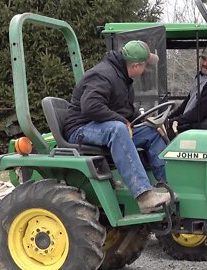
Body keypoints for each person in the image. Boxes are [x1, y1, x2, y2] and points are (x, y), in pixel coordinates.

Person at [64, 40, 171, 213]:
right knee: (118, 129)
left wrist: (147, 120)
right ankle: (144, 195)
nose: (145, 70)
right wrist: (121, 121)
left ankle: (165, 184)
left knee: (152, 130)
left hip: (102, 126)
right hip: (81, 128)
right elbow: (90, 105)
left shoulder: (123, 78)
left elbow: (125, 110)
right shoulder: (103, 75)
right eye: (145, 65)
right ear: (136, 66)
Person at [167, 44, 207, 135]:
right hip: (190, 126)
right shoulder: (202, 77)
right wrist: (168, 119)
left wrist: (173, 121)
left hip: (201, 131)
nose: (204, 63)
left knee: (157, 137)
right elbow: (187, 103)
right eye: (203, 59)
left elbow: (198, 113)